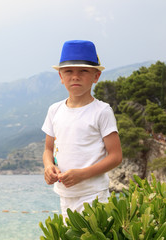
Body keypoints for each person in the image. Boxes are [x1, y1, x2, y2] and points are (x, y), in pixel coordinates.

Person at [41, 40, 122, 220]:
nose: (75, 76)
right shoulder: (54, 110)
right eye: (68, 71)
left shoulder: (102, 111)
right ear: (61, 77)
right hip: (65, 194)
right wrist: (48, 166)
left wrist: (82, 175)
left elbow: (116, 156)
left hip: (94, 195)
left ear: (96, 76)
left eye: (83, 71)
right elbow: (48, 149)